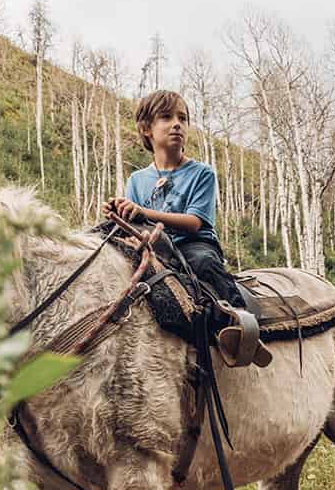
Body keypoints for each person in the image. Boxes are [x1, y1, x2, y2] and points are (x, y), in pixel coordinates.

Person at [104, 89, 243, 326]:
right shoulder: (137, 179)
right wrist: (119, 212)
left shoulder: (202, 173)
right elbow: (135, 224)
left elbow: (195, 222)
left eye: (182, 118)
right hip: (154, 248)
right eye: (167, 117)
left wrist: (144, 212)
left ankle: (239, 322)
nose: (177, 124)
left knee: (205, 264)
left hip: (193, 245)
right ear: (146, 129)